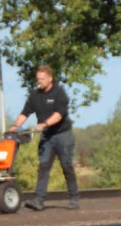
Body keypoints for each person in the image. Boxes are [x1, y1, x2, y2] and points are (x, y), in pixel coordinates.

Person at [10, 64, 80, 210]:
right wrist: (15, 126)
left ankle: (74, 198)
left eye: (42, 79)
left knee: (67, 166)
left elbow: (59, 114)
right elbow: (25, 113)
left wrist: (44, 124)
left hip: (63, 136)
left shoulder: (59, 93)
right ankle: (38, 200)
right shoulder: (35, 95)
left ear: (50, 79)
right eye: (38, 79)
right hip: (47, 138)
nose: (39, 81)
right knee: (43, 167)